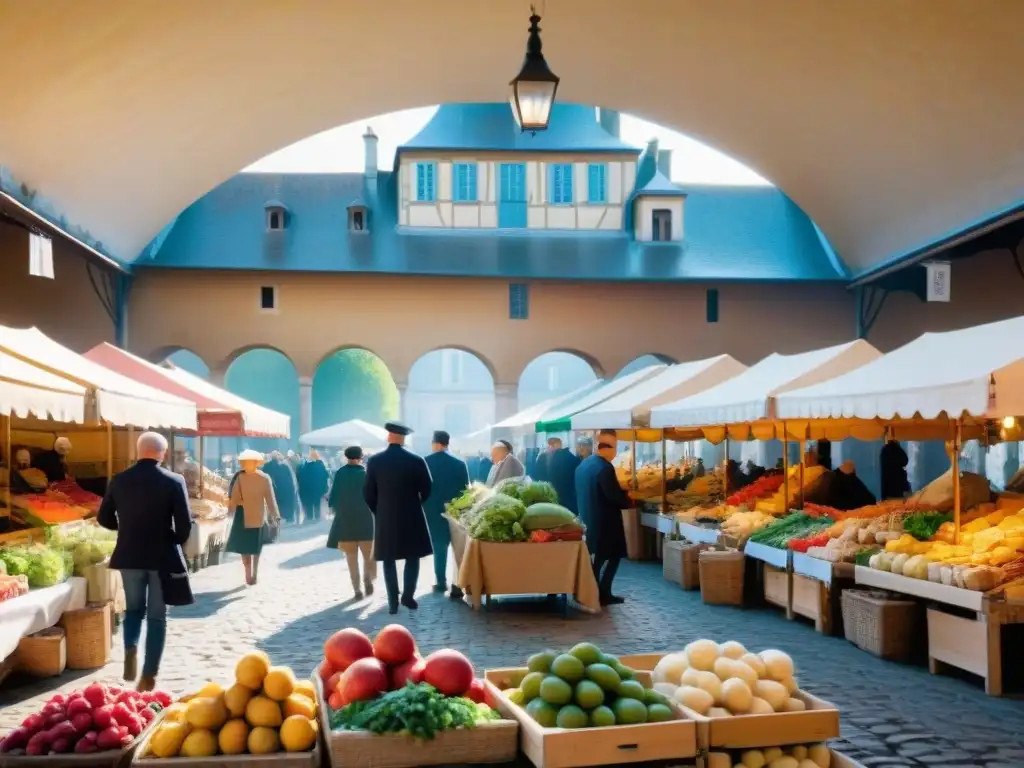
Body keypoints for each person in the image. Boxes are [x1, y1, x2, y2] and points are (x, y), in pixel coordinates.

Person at [97, 432, 192, 692]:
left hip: (129, 555)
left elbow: (103, 517)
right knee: (157, 617)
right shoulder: (174, 480)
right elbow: (185, 525)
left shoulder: (120, 480)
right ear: (163, 453)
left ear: (138, 452)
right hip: (161, 556)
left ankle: (129, 652)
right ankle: (149, 674)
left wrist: (126, 528)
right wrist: (172, 538)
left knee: (134, 610)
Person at [363, 422, 433, 614]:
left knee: (388, 559)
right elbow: (427, 488)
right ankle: (408, 597)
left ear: (388, 437)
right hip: (412, 514)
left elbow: (368, 492)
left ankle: (393, 602)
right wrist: (416, 502)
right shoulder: (417, 460)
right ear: (403, 438)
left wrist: (379, 510)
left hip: (386, 515)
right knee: (413, 557)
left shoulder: (375, 461)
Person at [576, 441, 634, 606]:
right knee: (613, 557)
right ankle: (603, 592)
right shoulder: (605, 468)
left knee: (597, 558)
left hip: (589, 517)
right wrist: (627, 500)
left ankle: (592, 591)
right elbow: (612, 495)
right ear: (609, 450)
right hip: (607, 521)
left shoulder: (582, 466)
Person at [424, 430, 470, 598]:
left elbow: (422, 488)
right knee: (458, 548)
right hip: (456, 510)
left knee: (439, 546)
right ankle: (458, 583)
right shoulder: (459, 463)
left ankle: (441, 581)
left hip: (433, 510)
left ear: (435, 443)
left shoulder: (426, 462)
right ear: (447, 443)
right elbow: (466, 490)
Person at [225, 449, 281, 585]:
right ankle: (253, 573)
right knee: (255, 548)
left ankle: (248, 574)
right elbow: (270, 499)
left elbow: (234, 497)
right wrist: (275, 516)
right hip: (257, 516)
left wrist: (231, 509)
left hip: (243, 516)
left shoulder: (240, 478)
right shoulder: (264, 478)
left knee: (245, 548)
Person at [326, 446, 376, 599]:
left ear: (346, 457)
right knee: (369, 556)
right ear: (361, 457)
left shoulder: (340, 473)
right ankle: (368, 579)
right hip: (366, 521)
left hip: (346, 521)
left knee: (351, 557)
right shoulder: (366, 474)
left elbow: (333, 498)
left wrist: (336, 509)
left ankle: (356, 589)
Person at [264, 451, 299, 525]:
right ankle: (289, 518)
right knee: (285, 504)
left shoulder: (266, 466)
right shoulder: (283, 466)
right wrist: (292, 489)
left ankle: (273, 519)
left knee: (272, 504)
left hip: (271, 489)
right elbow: (289, 480)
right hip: (284, 490)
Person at [548, 439, 582, 514]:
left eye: (551, 445)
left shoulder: (554, 458)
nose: (549, 448)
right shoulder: (574, 459)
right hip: (571, 500)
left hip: (557, 499)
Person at [297, 450, 330, 523]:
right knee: (317, 503)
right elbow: (325, 477)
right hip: (317, 489)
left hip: (307, 489)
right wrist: (324, 488)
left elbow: (300, 478)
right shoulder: (320, 466)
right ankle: (317, 517)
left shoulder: (304, 467)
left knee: (309, 503)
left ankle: (310, 517)